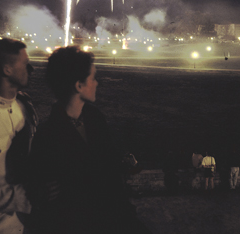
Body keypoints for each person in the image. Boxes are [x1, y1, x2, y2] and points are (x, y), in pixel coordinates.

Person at [27, 46, 151, 234]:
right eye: (93, 78)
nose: (97, 83)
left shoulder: (94, 118)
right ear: (78, 85)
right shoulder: (48, 136)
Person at [0, 38, 37, 234]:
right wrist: (31, 196)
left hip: (27, 223)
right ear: (7, 70)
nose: (31, 69)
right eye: (25, 63)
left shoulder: (25, 105)